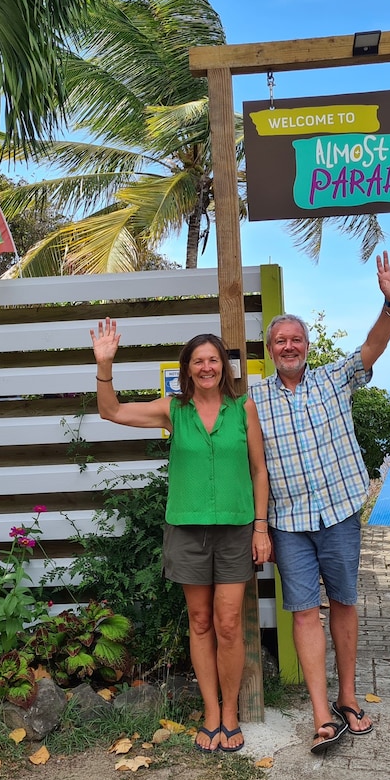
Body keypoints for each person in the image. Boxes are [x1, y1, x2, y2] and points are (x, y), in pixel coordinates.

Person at [249, 251, 390, 754]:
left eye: (295, 339)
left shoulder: (333, 379)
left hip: (339, 511)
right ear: (270, 350)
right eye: (280, 341)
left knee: (343, 601)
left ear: (307, 345)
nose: (289, 346)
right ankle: (321, 713)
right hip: (289, 523)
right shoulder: (255, 400)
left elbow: (372, 349)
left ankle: (348, 696)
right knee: (301, 611)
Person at [90, 320, 271, 753]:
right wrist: (104, 365)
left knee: (229, 625)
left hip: (236, 529)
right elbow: (110, 411)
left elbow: (259, 469)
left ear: (223, 367)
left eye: (213, 360)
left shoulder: (243, 408)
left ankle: (231, 714)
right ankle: (211, 713)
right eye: (198, 361)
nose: (206, 367)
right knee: (201, 621)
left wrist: (261, 528)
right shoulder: (174, 410)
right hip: (187, 530)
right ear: (186, 370)